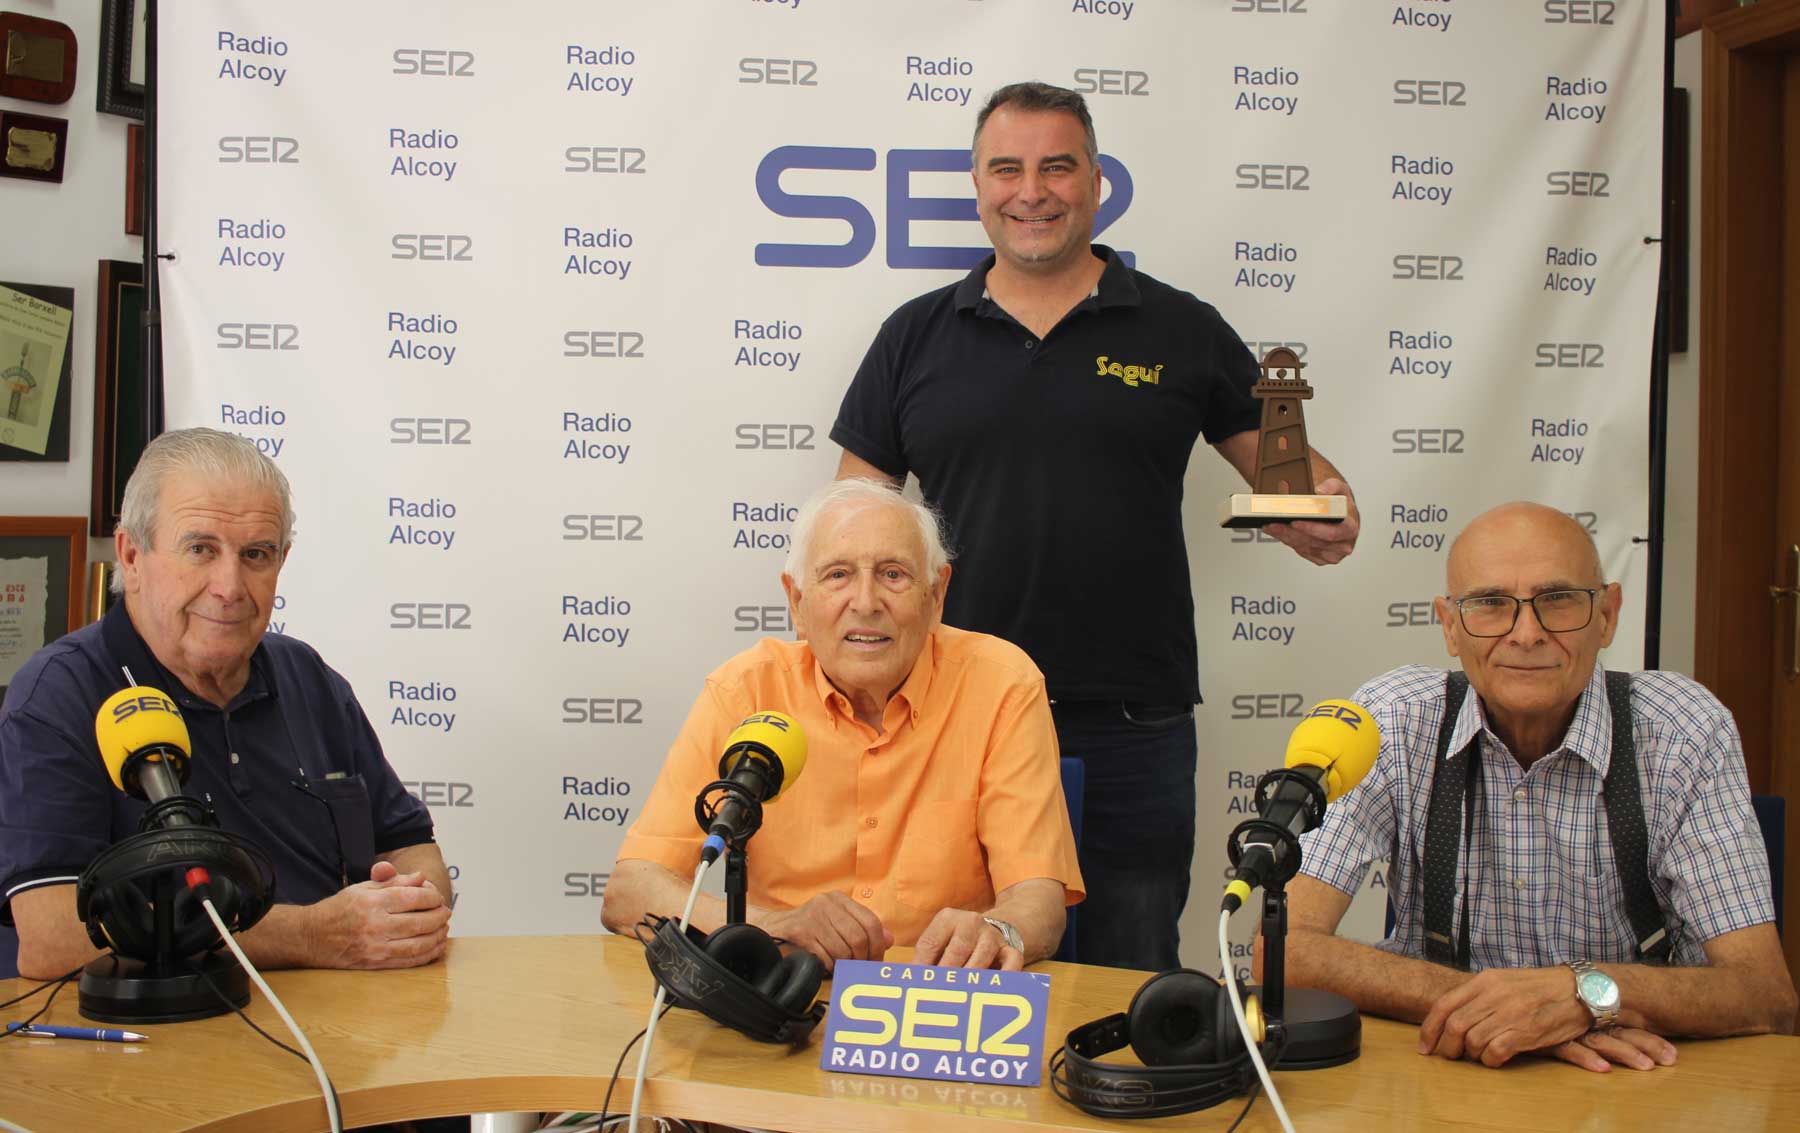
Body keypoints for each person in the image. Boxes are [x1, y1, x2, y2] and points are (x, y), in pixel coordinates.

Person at [830, 80, 1358, 970]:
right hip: (956, 713)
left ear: (1097, 182)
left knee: (1127, 973)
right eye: (1007, 168)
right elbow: (850, 529)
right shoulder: (914, 335)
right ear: (978, 186)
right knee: (956, 969)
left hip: (1131, 723)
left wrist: (1320, 510)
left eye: (1056, 167)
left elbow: (1301, 485)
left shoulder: (1183, 328)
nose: (1030, 189)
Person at [1276, 501, 1797, 1072]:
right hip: (1450, 1070)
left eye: (1558, 600)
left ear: (1608, 615)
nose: (1526, 634)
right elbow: (1284, 948)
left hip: (1642, 1082)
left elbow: (1765, 994)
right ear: (1451, 625)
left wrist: (1585, 998)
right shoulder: (1394, 721)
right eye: (1491, 604)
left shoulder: (1684, 731)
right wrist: (1517, 1016)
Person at [0, 428, 452, 980]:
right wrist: (312, 934)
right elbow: (51, 940)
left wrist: (408, 908)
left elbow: (409, 845)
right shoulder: (58, 695)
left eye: (256, 555)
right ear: (132, 555)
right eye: (200, 550)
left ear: (282, 562)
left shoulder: (307, 677)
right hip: (156, 1046)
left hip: (347, 1027)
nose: (230, 586)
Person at [602, 478, 1083, 971]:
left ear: (936, 595)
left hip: (937, 996)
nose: (866, 602)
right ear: (797, 603)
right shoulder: (744, 693)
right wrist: (772, 925)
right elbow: (631, 889)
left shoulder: (1001, 684)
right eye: (837, 575)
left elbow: (1038, 902)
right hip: (786, 988)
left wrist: (996, 929)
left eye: (893, 574)